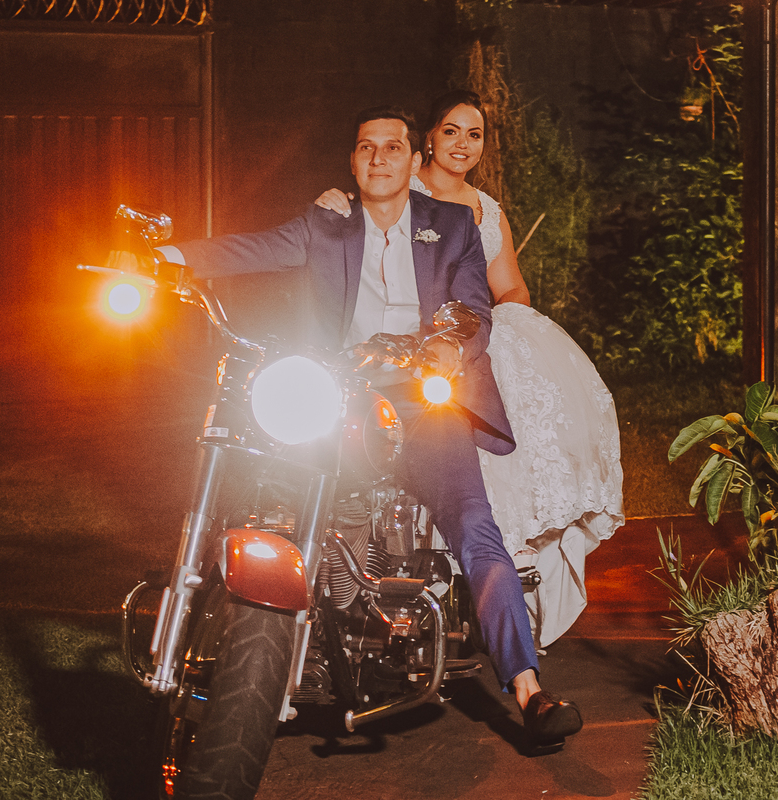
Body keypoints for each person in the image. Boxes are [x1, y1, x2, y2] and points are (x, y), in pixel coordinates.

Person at [156, 106, 582, 748]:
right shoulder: (326, 224)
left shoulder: (454, 225)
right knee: (276, 496)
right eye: (365, 147)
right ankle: (261, 644)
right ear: (352, 161)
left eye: (392, 147)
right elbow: (253, 248)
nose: (379, 158)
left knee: (473, 523)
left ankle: (529, 689)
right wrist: (165, 256)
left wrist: (446, 347)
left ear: (414, 161)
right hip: (339, 396)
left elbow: (473, 304)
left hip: (424, 402)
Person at [317, 90, 623, 648]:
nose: (462, 144)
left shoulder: (487, 209)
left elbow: (511, 287)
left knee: (529, 400)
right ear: (427, 141)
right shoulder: (400, 186)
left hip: (471, 331)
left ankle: (507, 552)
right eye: (451, 131)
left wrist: (492, 327)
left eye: (474, 134)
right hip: (406, 343)